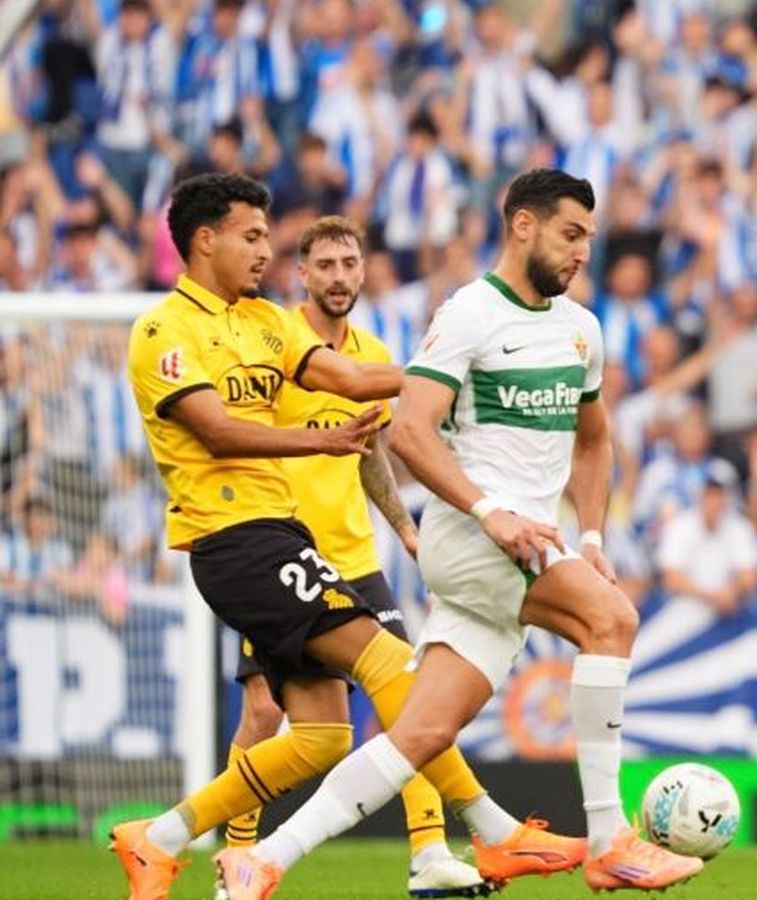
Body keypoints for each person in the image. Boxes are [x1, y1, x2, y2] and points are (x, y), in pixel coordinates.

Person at [216, 169, 704, 898]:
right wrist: (489, 511)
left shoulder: (581, 329)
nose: (581, 254)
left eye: (589, 240)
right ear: (523, 226)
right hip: (476, 538)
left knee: (418, 736)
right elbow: (410, 430)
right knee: (614, 620)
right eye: (570, 235)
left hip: (521, 548)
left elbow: (594, 440)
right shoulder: (470, 314)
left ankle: (264, 860)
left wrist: (594, 537)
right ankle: (610, 841)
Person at [111, 173, 566, 900]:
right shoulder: (164, 330)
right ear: (205, 240)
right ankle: (491, 831)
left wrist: (455, 371)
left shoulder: (265, 321)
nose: (265, 249)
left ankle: (158, 838)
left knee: (323, 736)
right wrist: (316, 446)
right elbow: (216, 429)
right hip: (234, 540)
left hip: (286, 539)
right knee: (393, 668)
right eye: (252, 235)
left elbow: (353, 379)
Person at [217, 215, 484, 897]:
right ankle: (234, 855)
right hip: (282, 558)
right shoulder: (273, 344)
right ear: (301, 274)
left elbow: (372, 455)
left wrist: (404, 528)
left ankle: (429, 851)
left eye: (349, 263)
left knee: (412, 698)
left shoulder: (367, 352)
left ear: (364, 271)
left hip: (356, 559)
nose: (339, 277)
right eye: (325, 265)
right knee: (266, 716)